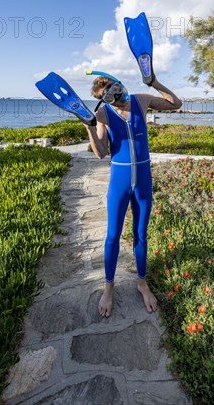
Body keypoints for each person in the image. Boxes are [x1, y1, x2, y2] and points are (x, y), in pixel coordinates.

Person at [83, 74, 182, 317]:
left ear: (120, 84)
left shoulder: (142, 100)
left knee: (140, 234)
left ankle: (141, 283)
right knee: (112, 236)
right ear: (104, 100)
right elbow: (101, 152)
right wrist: (89, 126)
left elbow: (175, 104)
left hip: (144, 181)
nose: (116, 95)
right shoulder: (104, 115)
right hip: (120, 181)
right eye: (109, 95)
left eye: (116, 88)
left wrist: (155, 83)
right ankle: (109, 287)